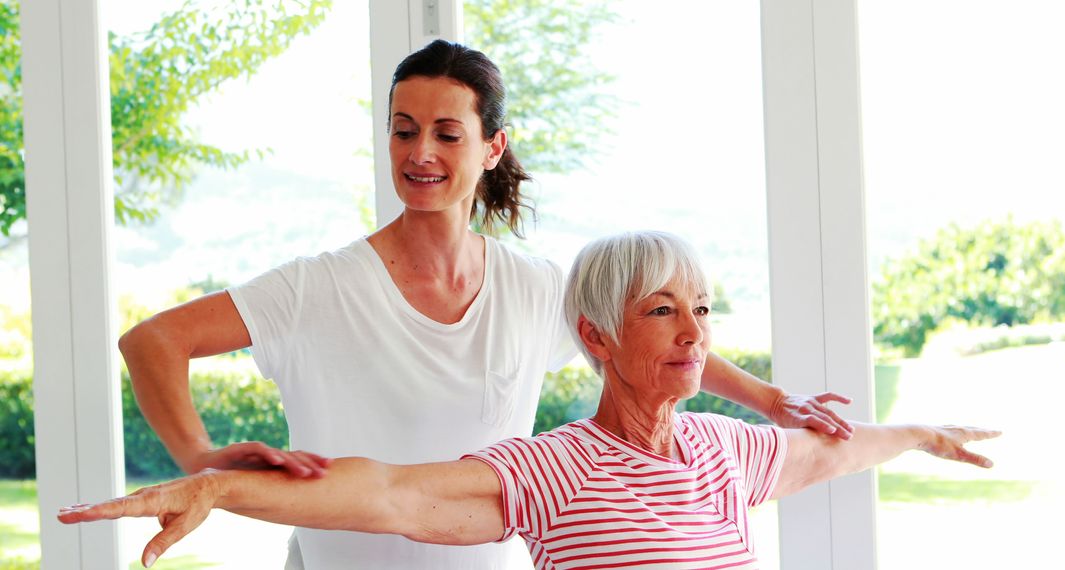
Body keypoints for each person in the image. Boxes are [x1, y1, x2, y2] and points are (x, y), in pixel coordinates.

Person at [117, 40, 853, 569]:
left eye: (446, 133)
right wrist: (199, 456)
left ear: (493, 147)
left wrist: (771, 399)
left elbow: (648, 335)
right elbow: (152, 341)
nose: (419, 154)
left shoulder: (533, 288)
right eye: (403, 131)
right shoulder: (318, 287)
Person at [65, 231, 1000, 570]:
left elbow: (832, 451)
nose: (693, 332)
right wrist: (222, 487)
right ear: (594, 338)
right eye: (661, 311)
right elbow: (388, 491)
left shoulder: (727, 450)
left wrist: (919, 433)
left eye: (703, 310)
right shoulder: (552, 468)